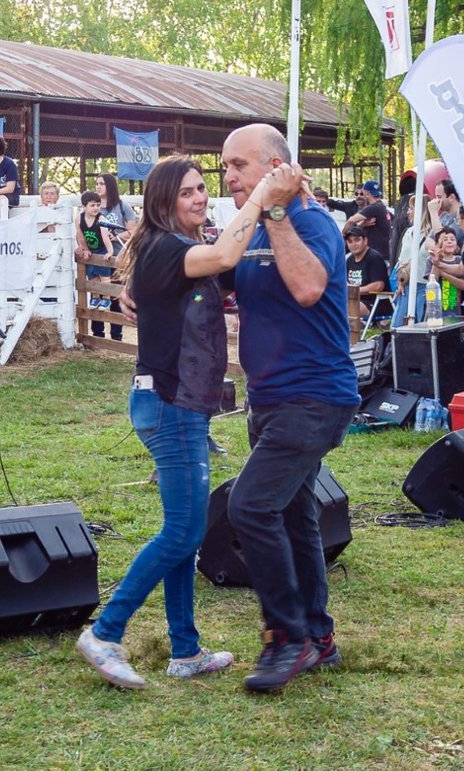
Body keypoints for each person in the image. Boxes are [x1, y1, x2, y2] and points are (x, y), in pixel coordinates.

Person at [75, 154, 298, 689]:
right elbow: (224, 254)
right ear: (163, 202)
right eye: (187, 192)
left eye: (202, 188)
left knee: (185, 528)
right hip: (169, 405)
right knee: (182, 531)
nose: (199, 197)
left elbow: (221, 265)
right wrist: (265, 195)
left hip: (180, 405)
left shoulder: (174, 249)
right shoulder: (167, 248)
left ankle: (186, 650)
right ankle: (105, 633)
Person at [220, 123, 359, 693]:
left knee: (250, 507)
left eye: (239, 165)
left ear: (276, 167)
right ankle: (318, 637)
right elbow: (212, 273)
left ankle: (286, 637)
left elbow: (307, 288)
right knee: (296, 516)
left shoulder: (311, 222)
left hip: (315, 398)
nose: (229, 177)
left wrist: (275, 211)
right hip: (268, 400)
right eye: (225, 167)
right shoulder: (252, 227)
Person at [77, 190, 122, 341]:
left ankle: (107, 297)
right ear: (84, 206)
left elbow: (105, 237)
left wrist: (109, 252)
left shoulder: (101, 219)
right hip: (92, 249)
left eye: (98, 205)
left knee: (104, 276)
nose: (96, 208)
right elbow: (80, 235)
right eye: (92, 205)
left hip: (102, 249)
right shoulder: (79, 218)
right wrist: (85, 249)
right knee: (92, 276)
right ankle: (96, 297)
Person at [329, 180, 392, 259]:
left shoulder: (374, 207)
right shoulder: (382, 207)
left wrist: (343, 234)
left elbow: (351, 220)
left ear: (367, 193)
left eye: (362, 193)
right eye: (357, 194)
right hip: (380, 254)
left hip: (376, 256)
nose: (360, 196)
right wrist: (362, 225)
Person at [344, 229, 388, 313]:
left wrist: (354, 291)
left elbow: (378, 286)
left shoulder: (374, 258)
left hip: (375, 303)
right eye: (350, 241)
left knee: (343, 307)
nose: (353, 244)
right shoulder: (349, 260)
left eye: (357, 240)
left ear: (365, 241)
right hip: (355, 300)